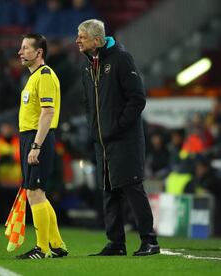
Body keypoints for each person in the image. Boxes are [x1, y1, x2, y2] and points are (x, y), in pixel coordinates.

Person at [75, 19, 160, 256]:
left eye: (81, 36)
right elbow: (88, 103)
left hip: (125, 139)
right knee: (108, 191)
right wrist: (95, 130)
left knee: (132, 187)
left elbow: (137, 98)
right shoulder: (86, 66)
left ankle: (149, 240)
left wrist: (118, 126)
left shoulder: (121, 59)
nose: (77, 40)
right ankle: (116, 243)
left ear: (97, 39)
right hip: (102, 141)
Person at [15, 33, 68, 259]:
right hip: (31, 138)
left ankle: (42, 248)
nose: (20, 52)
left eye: (26, 48)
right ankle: (56, 244)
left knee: (35, 193)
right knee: (36, 194)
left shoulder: (45, 75)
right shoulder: (34, 77)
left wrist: (36, 145)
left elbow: (48, 112)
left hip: (38, 138)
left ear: (39, 52)